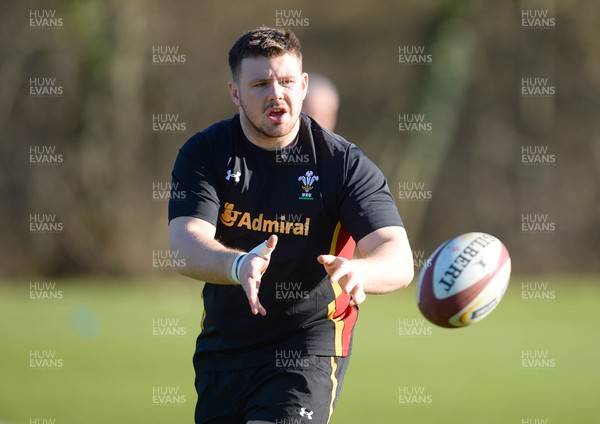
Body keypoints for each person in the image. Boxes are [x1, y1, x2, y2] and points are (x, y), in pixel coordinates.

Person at [168, 27, 414, 424]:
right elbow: (184, 243)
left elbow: (399, 258)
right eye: (261, 83)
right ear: (235, 92)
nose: (275, 93)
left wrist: (360, 270)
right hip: (225, 347)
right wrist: (237, 265)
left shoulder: (343, 164)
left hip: (308, 347)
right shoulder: (205, 153)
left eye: (285, 81)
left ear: (303, 85)